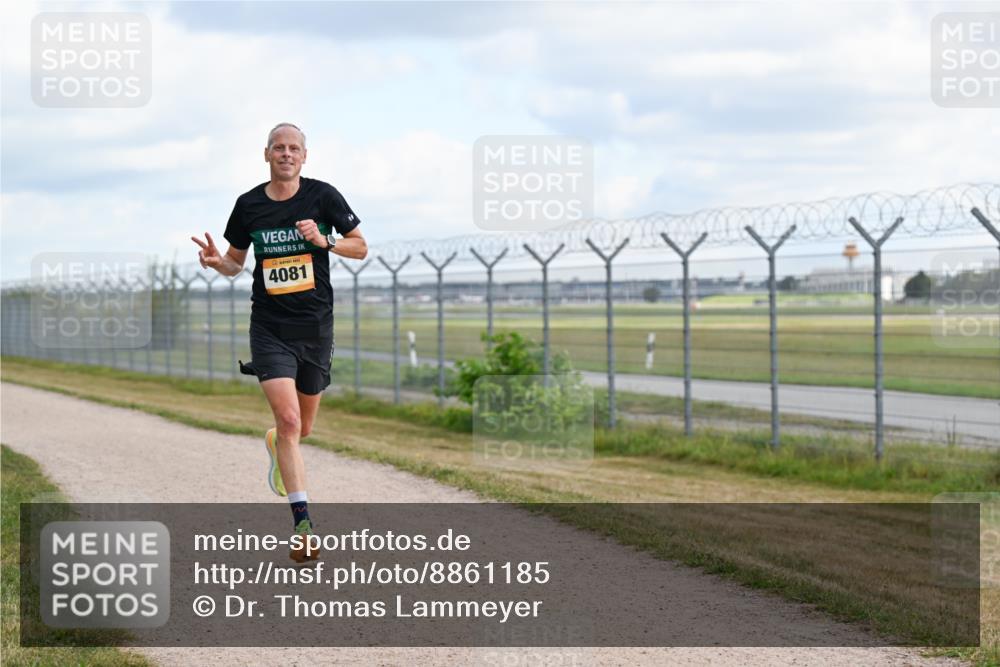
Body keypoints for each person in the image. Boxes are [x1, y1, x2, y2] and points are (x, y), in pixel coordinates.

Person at [191, 122, 367, 562]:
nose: (286, 154)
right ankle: (303, 526)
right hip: (269, 326)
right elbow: (235, 263)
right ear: (266, 155)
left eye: (294, 148)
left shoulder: (323, 196)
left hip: (315, 328)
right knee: (289, 422)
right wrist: (217, 264)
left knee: (302, 429)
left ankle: (276, 446)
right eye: (278, 148)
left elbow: (360, 246)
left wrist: (323, 240)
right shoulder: (248, 205)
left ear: (304, 157)